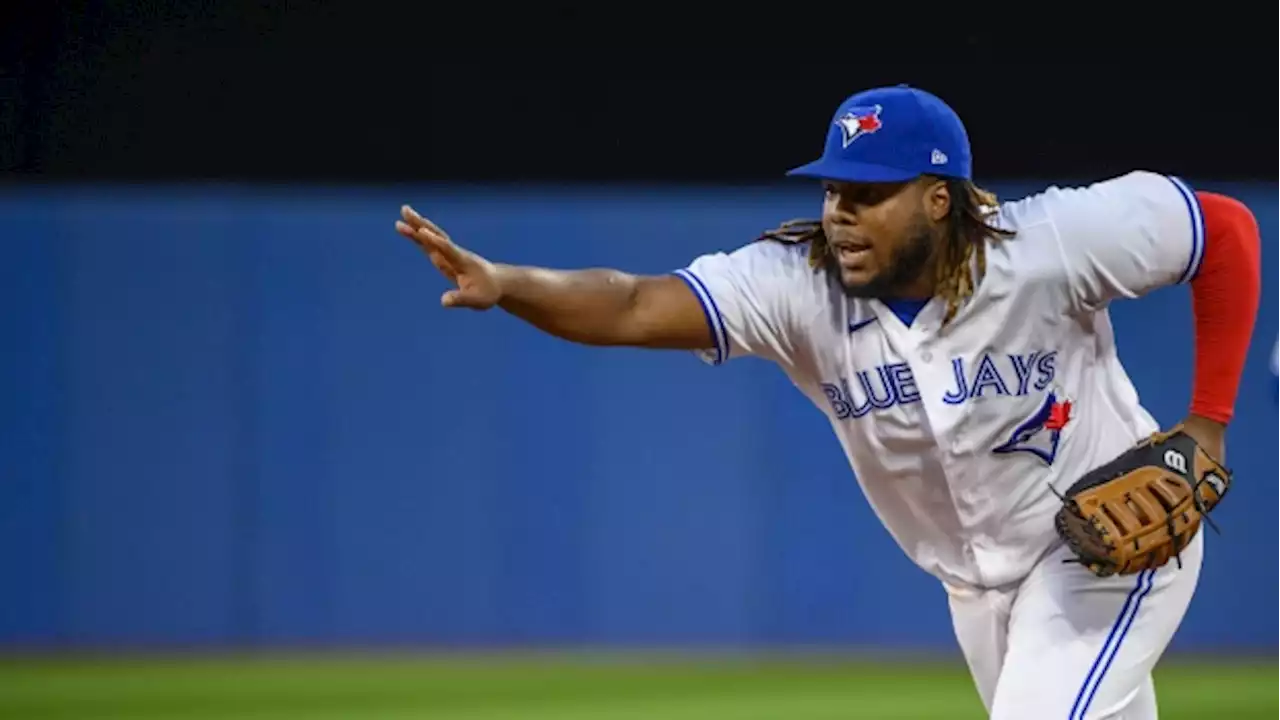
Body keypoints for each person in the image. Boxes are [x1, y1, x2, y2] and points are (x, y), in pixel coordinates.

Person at [394, 84, 1261, 718]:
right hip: (975, 588)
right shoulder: (796, 286)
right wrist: (506, 281)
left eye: (868, 193)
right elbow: (629, 302)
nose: (841, 212)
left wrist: (1208, 424)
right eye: (833, 189)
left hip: (1107, 547)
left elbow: (1223, 230)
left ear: (937, 198)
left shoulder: (1048, 244)